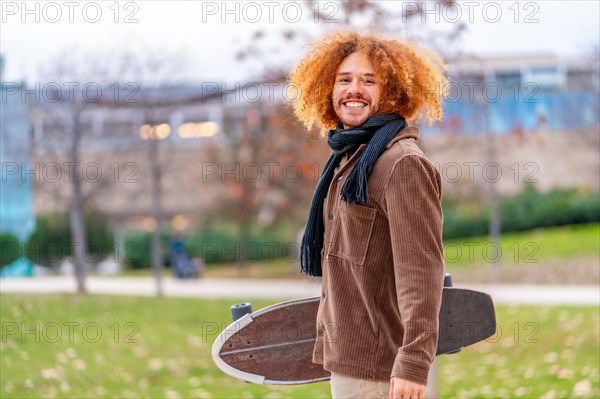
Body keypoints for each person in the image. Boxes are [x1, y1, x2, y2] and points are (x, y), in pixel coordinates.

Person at [288, 31, 447, 399]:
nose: (353, 89)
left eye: (368, 81)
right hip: (349, 362)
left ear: (392, 92)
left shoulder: (401, 163)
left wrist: (413, 362)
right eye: (344, 80)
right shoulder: (349, 160)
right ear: (327, 90)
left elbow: (421, 272)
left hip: (383, 373)